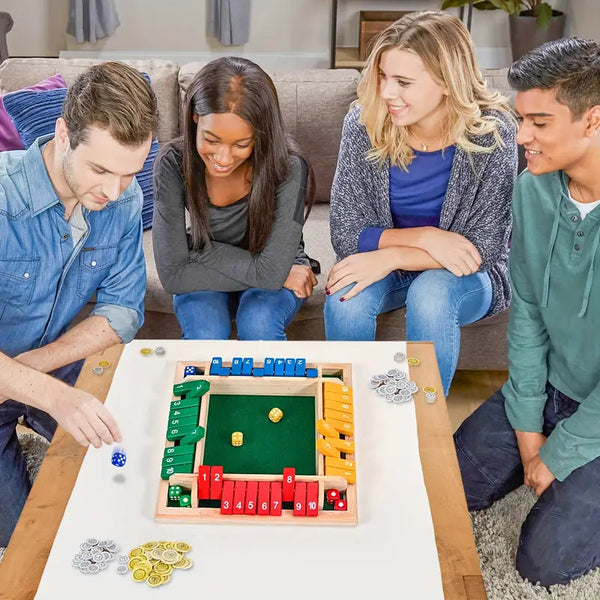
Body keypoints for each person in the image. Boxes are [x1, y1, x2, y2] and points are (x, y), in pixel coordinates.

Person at [455, 38, 600, 586]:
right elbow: (531, 313)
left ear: (593, 119)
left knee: (544, 562)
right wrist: (527, 429)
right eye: (521, 120)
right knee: (447, 485)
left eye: (539, 122)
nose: (521, 138)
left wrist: (559, 456)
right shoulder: (533, 189)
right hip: (555, 388)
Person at [0, 61, 158, 546]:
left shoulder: (122, 201)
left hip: (50, 367)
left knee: (140, 472)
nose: (113, 192)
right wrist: (50, 396)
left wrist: (35, 371)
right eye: (101, 169)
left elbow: (123, 310)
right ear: (64, 134)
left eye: (130, 174)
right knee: (30, 540)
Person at [324, 10, 517, 395]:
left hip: (468, 278)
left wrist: (393, 255)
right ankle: (350, 417)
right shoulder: (365, 122)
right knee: (346, 298)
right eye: (383, 76)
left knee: (430, 295)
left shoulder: (493, 134)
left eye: (403, 82)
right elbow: (346, 232)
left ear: (447, 82)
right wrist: (428, 237)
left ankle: (421, 432)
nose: (387, 93)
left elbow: (482, 248)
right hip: (407, 263)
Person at [152, 57, 316, 341]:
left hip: (213, 263)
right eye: (211, 140)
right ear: (195, 119)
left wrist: (199, 253)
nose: (224, 159)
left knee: (259, 323)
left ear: (261, 134)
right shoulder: (172, 162)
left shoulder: (289, 166)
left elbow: (270, 274)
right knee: (206, 332)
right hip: (237, 271)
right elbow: (172, 276)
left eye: (242, 144)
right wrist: (268, 273)